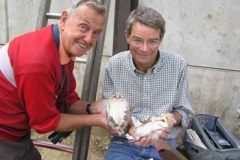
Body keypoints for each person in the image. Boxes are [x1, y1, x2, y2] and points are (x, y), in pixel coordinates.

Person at [0, 0, 110, 159]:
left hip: (15, 131)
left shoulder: (61, 45)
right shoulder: (39, 61)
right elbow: (45, 123)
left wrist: (93, 107)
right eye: (84, 27)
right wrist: (97, 120)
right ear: (64, 19)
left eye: (96, 32)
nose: (88, 39)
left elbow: (67, 99)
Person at [102, 7, 194, 160]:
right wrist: (131, 128)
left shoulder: (177, 65)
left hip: (165, 142)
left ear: (161, 38)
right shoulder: (114, 65)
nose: (144, 49)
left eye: (152, 41)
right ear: (127, 37)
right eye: (137, 40)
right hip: (124, 143)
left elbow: (185, 112)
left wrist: (165, 122)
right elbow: (111, 112)